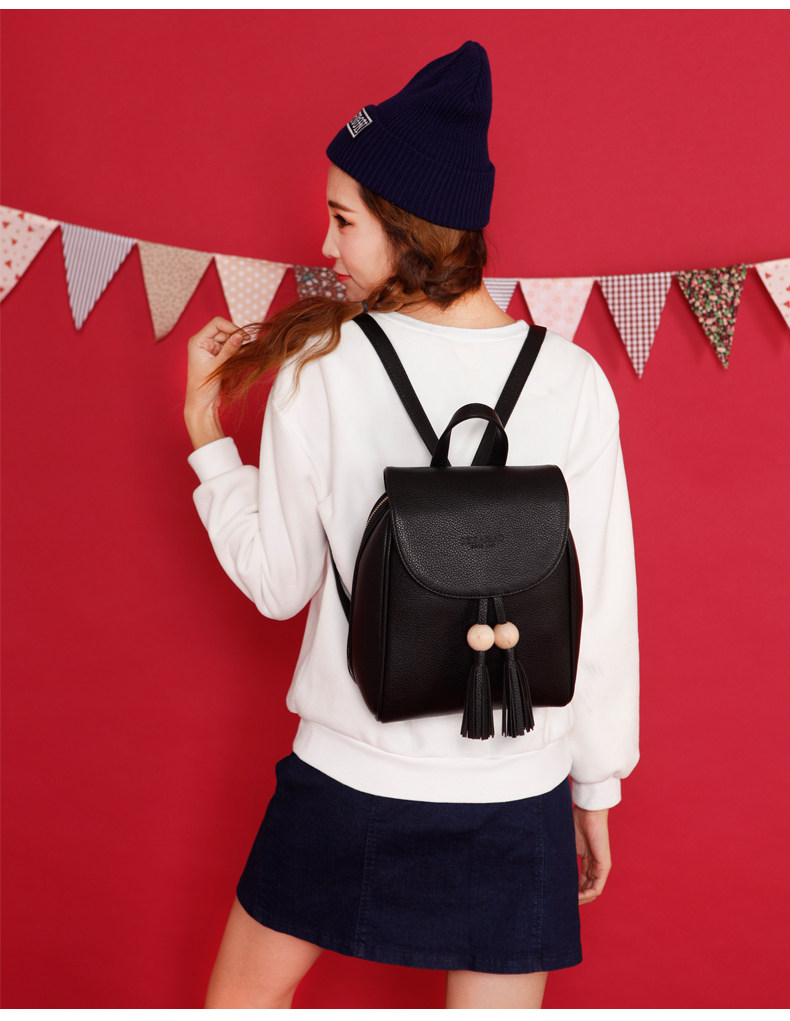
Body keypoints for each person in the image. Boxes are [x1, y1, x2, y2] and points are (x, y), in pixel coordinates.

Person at [183, 41, 639, 1010]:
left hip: (346, 780)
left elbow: (277, 585)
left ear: (406, 225)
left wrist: (207, 440)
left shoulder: (320, 368)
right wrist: (595, 788)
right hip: (517, 789)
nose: (325, 243)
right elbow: (599, 607)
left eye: (342, 218)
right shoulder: (574, 381)